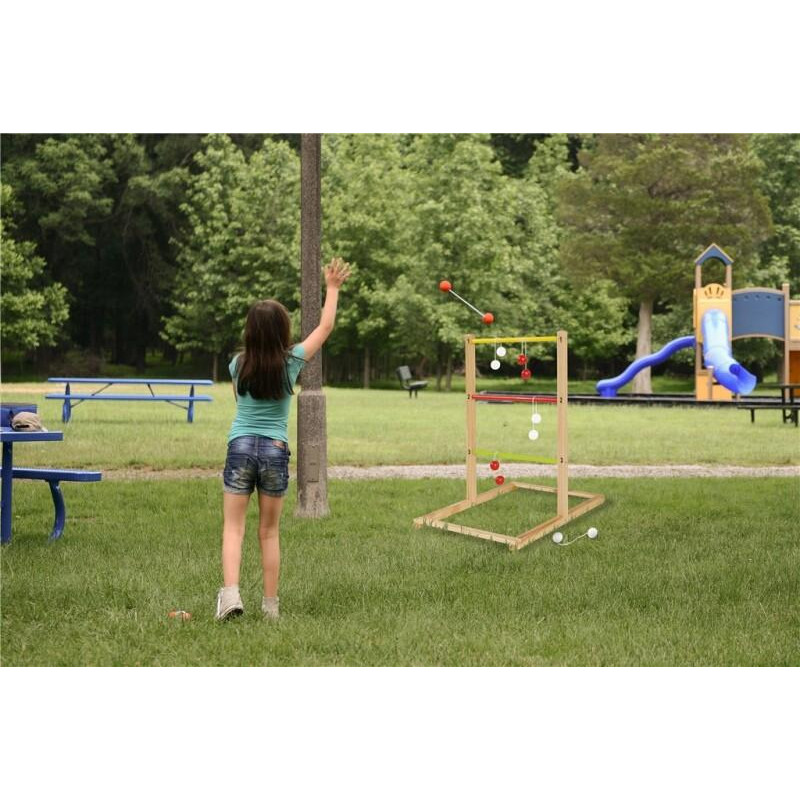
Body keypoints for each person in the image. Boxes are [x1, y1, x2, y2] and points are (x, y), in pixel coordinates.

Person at [215, 257, 351, 621]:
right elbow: (325, 326)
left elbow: (240, 402)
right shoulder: (291, 361)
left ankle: (230, 596)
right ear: (283, 330)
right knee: (269, 531)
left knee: (234, 528)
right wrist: (332, 288)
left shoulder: (237, 365)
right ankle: (271, 607)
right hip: (275, 451)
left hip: (240, 446)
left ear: (249, 332)